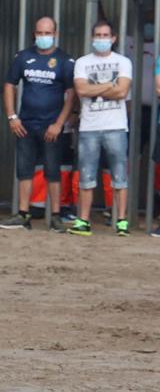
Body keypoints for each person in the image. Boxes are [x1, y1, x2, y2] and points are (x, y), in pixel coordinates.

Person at [0, 17, 77, 230]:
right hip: (26, 125)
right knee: (24, 170)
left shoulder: (65, 61)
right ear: (34, 34)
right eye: (40, 33)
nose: (43, 37)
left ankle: (56, 216)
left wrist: (59, 124)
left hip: (51, 127)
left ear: (55, 34)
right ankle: (23, 215)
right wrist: (12, 117)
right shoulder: (23, 57)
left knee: (53, 171)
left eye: (47, 33)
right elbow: (9, 85)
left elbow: (71, 95)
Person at [69, 21, 134, 237]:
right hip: (89, 127)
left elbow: (122, 92)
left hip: (116, 127)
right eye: (98, 35)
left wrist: (94, 89)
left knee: (119, 175)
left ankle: (122, 221)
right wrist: (109, 85)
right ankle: (83, 221)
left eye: (106, 35)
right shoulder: (82, 62)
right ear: (92, 37)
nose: (102, 39)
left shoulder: (124, 62)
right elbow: (80, 89)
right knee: (86, 176)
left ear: (113, 38)